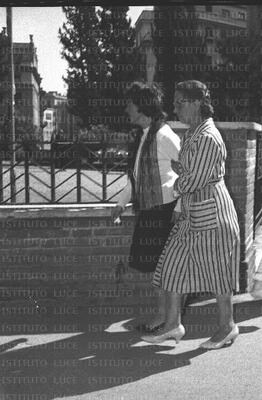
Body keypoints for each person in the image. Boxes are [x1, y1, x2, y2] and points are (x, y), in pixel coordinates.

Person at [141, 80, 240, 349]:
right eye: (175, 103)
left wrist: (174, 184)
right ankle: (173, 325)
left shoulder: (207, 136)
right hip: (192, 210)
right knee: (171, 264)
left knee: (218, 272)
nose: (175, 108)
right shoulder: (194, 132)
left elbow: (192, 179)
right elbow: (190, 173)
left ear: (197, 103)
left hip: (212, 213)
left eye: (180, 102)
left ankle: (227, 327)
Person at [111, 82, 181, 332]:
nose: (127, 108)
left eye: (131, 103)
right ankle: (163, 316)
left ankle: (165, 318)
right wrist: (120, 204)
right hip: (150, 209)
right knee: (154, 266)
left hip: (164, 210)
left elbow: (189, 170)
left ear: (142, 106)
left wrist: (180, 207)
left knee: (161, 266)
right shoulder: (144, 135)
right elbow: (136, 176)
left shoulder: (164, 136)